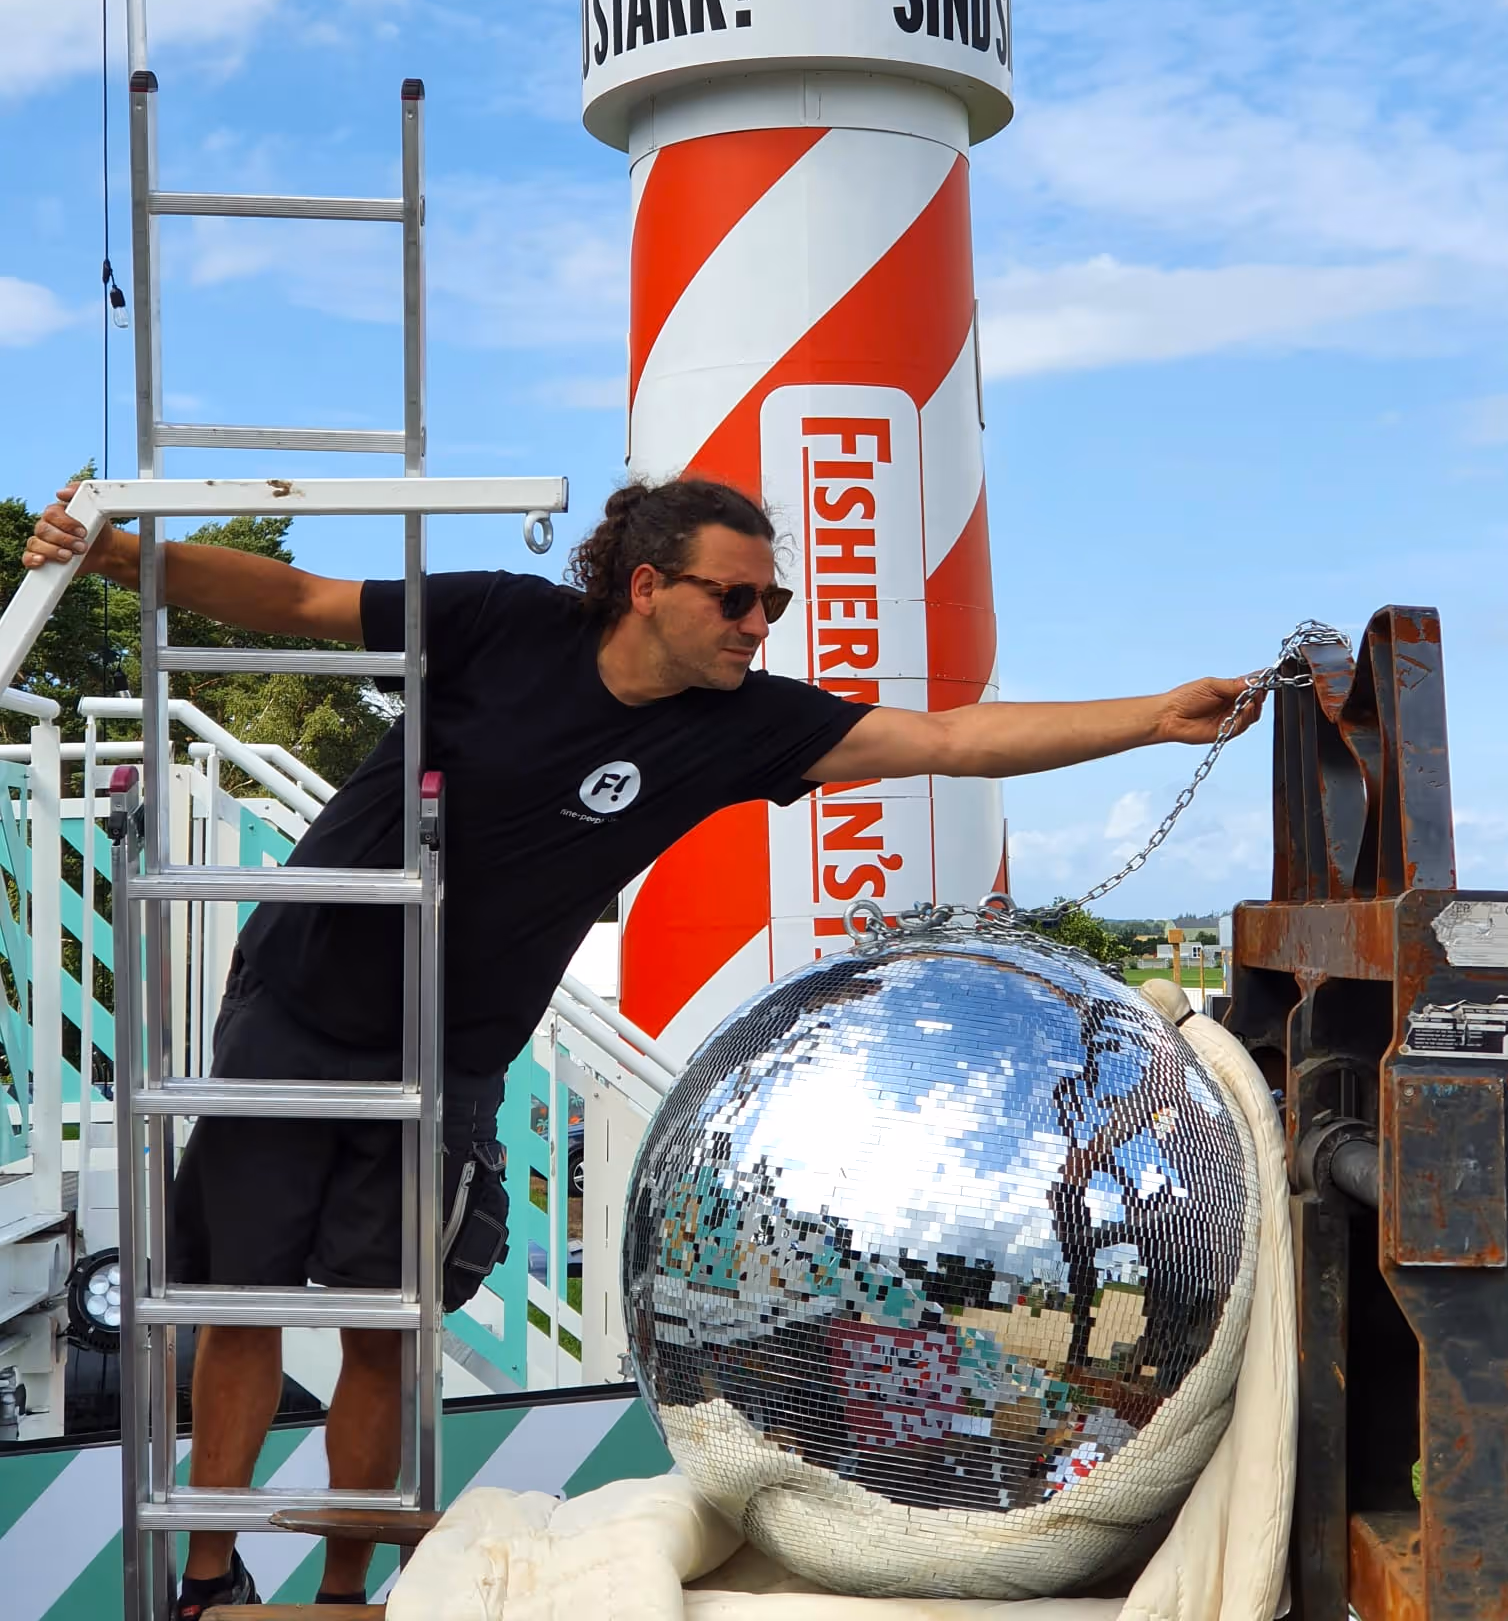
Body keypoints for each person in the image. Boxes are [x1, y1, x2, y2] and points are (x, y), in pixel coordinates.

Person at [25, 475, 1260, 1615]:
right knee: (237, 1303)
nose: (758, 623)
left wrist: (1153, 718)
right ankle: (210, 1574)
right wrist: (115, 557)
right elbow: (297, 598)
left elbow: (940, 742)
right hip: (303, 999)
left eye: (772, 602)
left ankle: (348, 1591)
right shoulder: (505, 624)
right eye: (736, 597)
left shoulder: (739, 725)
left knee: (382, 1322)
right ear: (646, 587)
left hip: (450, 1053)